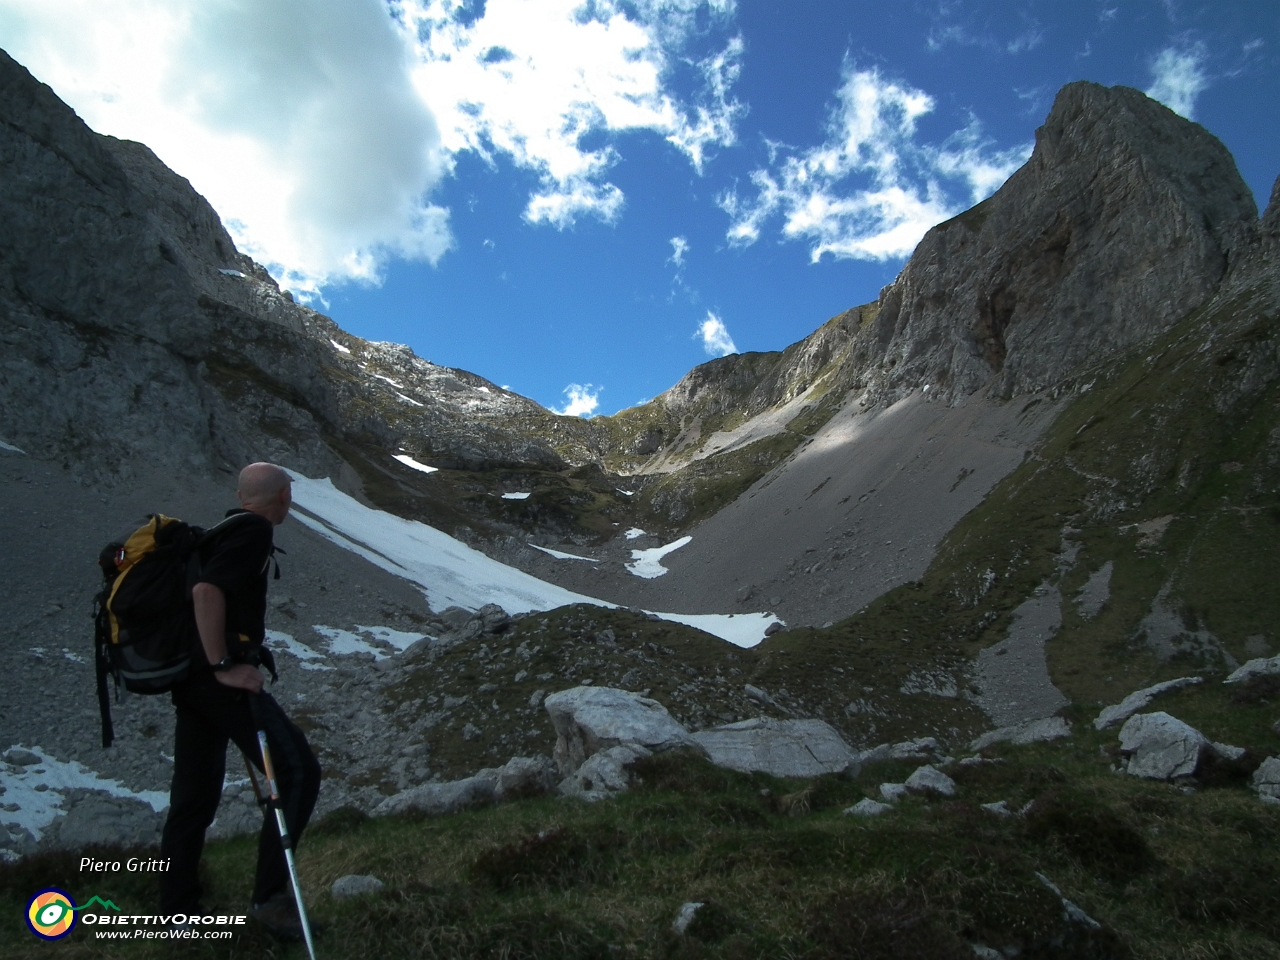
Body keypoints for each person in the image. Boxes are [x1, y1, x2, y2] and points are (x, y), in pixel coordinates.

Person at [158, 463, 321, 939]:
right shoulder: (253, 530)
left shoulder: (223, 529)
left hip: (190, 682)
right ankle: (270, 901)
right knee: (296, 771)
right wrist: (223, 666)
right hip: (216, 680)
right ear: (284, 496)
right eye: (290, 492)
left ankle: (176, 910)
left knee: (193, 796)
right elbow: (207, 591)